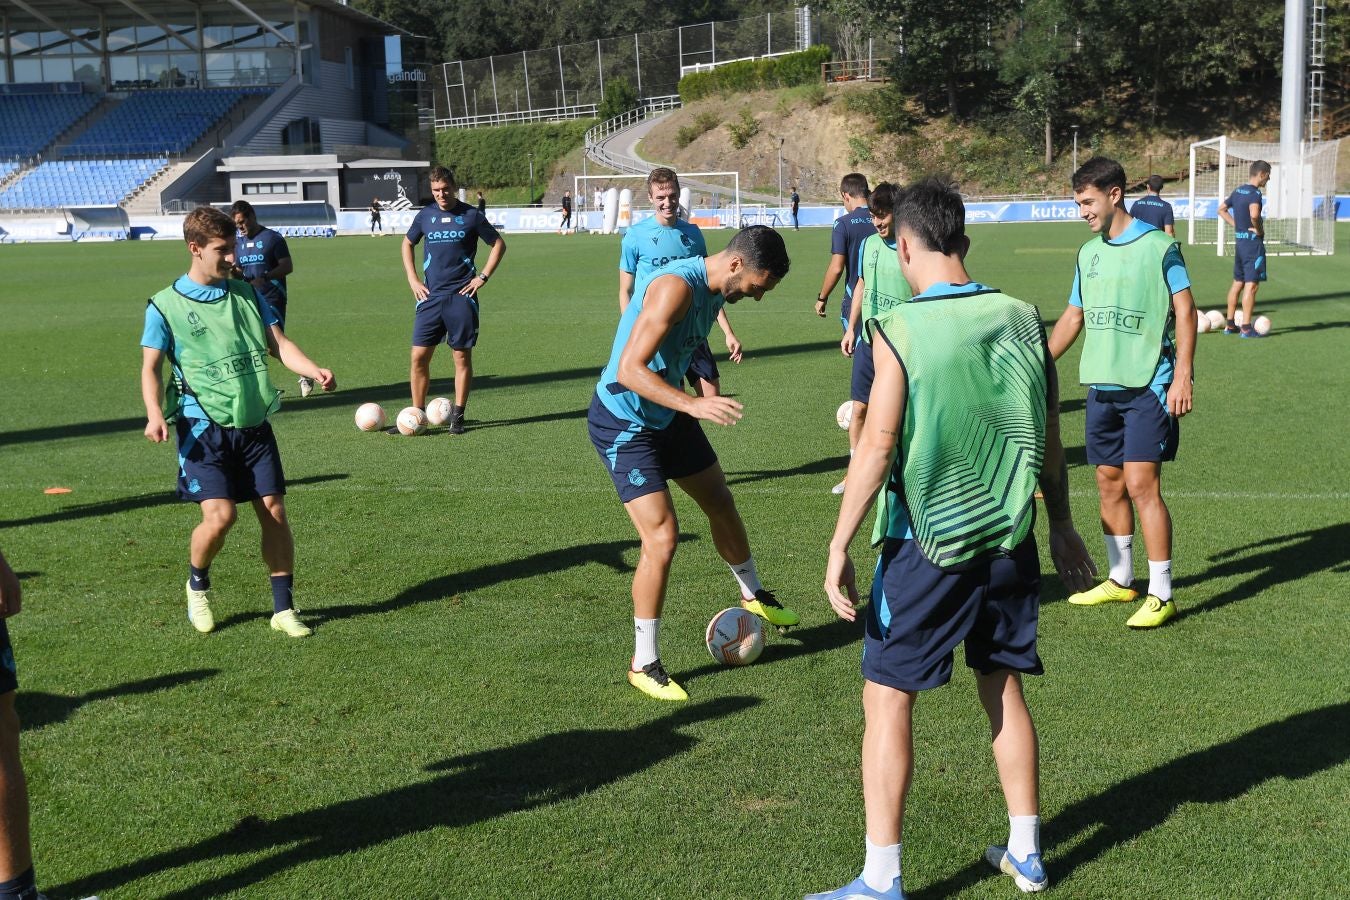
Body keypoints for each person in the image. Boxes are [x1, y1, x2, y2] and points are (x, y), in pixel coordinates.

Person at [814, 177, 1095, 900]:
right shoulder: (1024, 318)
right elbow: (1055, 441)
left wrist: (840, 545)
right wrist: (1062, 525)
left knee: (886, 696)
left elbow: (875, 451)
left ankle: (882, 880)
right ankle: (1028, 853)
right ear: (959, 238)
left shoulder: (898, 329)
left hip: (927, 544)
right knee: (1001, 685)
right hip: (1010, 538)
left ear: (904, 245)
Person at [588, 226, 799, 702]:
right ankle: (643, 663)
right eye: (758, 287)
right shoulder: (674, 288)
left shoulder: (715, 292)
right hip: (624, 421)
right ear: (737, 265)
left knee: (720, 500)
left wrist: (697, 392)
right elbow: (629, 369)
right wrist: (693, 405)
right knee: (662, 538)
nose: (758, 297)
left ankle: (753, 594)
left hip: (668, 414)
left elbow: (683, 348)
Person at [141, 206, 336, 639]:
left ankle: (283, 609)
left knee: (275, 511)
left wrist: (312, 368)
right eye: (223, 250)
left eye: (234, 247)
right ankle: (197, 583)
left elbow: (278, 344)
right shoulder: (164, 306)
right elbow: (150, 367)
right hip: (202, 428)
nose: (234, 257)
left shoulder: (247, 294)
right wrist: (156, 413)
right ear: (195, 249)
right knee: (221, 517)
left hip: (253, 424)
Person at [1048, 156, 1196, 629]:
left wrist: (1183, 375)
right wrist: (1035, 363)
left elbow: (1187, 312)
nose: (1082, 212)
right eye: (1078, 203)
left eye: (1087, 202)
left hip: (1148, 385)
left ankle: (1163, 592)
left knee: (1141, 486)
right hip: (1102, 384)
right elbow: (1074, 316)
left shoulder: (1159, 247)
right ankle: (1120, 579)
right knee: (1107, 482)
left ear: (1115, 194)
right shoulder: (1088, 253)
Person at [619, 167, 742, 397]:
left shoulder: (693, 234)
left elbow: (710, 287)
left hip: (692, 326)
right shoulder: (635, 235)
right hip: (658, 327)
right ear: (650, 198)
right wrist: (631, 330)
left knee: (711, 394)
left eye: (672, 196)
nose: (668, 202)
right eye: (661, 197)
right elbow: (625, 290)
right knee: (672, 395)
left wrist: (728, 332)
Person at [402, 165, 507, 434]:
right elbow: (407, 243)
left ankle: (457, 416)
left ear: (453, 186)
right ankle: (418, 414)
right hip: (430, 297)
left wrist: (482, 277)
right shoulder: (425, 215)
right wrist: (413, 280)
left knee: (461, 358)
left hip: (462, 297)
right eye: (436, 190)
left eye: (445, 189)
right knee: (418, 357)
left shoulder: (470, 215)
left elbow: (498, 244)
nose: (441, 194)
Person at [834, 183, 911, 495]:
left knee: (902, 414)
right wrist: (851, 328)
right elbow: (861, 286)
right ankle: (855, 473)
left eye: (884, 216)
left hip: (902, 346)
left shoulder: (911, 248)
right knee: (860, 409)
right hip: (869, 340)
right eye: (875, 217)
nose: (878, 223)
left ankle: (903, 473)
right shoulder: (868, 245)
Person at [816, 173, 876, 493]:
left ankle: (857, 469)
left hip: (856, 309)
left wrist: (822, 296)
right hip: (892, 311)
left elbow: (838, 266)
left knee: (864, 389)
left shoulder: (843, 224)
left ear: (845, 195)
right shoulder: (887, 218)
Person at [230, 201, 307, 397]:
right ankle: (299, 375)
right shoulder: (237, 244)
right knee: (258, 345)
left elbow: (287, 266)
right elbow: (241, 273)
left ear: (252, 216)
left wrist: (265, 277)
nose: (240, 227)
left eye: (242, 222)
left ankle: (275, 385)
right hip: (247, 300)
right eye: (237, 224)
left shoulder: (273, 238)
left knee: (270, 344)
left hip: (272, 297)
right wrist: (233, 271)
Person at [1217, 160, 1271, 337]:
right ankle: (1246, 327)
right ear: (1261, 174)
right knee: (1252, 285)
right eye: (1268, 175)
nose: (1268, 179)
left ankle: (1230, 324)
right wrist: (1259, 230)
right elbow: (1254, 214)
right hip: (1252, 245)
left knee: (1237, 282)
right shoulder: (1255, 193)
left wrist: (1237, 225)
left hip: (1240, 244)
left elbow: (1221, 209)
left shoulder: (1238, 190)